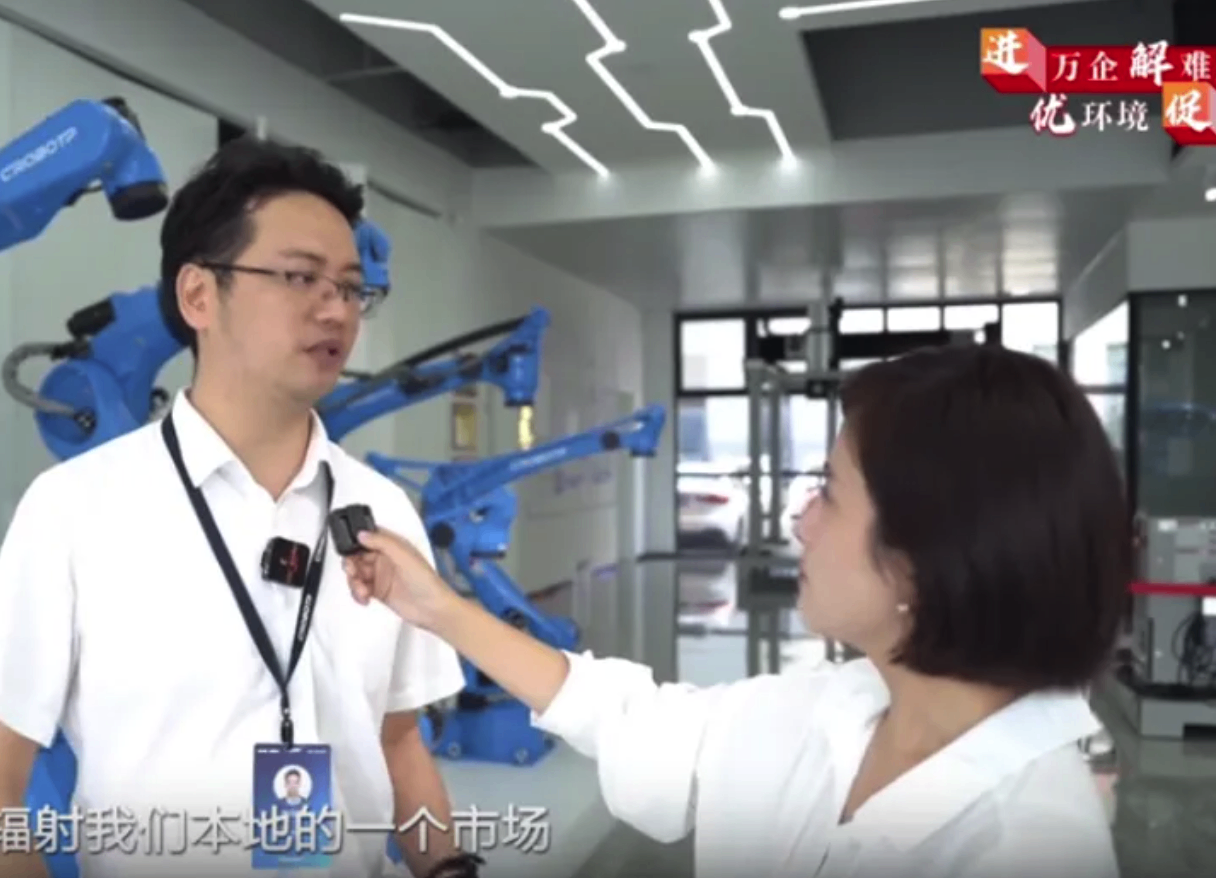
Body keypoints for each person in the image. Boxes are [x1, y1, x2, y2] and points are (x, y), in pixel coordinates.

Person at [342, 344, 1128, 878]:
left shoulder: (1031, 843)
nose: (801, 521)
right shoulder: (837, 711)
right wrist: (440, 609)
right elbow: (632, 718)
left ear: (923, 558)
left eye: (828, 493)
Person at [0, 138, 467, 878]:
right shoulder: (75, 509)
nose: (336, 310)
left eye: (353, 289)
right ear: (198, 295)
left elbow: (399, 742)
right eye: (300, 277)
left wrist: (448, 869)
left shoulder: (381, 512)